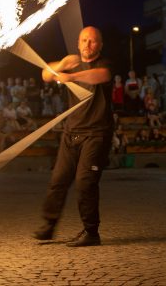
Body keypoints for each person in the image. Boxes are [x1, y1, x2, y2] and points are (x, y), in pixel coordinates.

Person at [33, 26, 113, 247]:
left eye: (93, 41)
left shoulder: (103, 65)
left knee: (85, 182)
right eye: (84, 40)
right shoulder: (72, 62)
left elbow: (100, 76)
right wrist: (61, 66)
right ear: (78, 43)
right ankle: (49, 226)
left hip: (96, 133)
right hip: (72, 133)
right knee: (58, 180)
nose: (88, 45)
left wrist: (71, 76)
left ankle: (91, 232)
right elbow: (46, 74)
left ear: (100, 45)